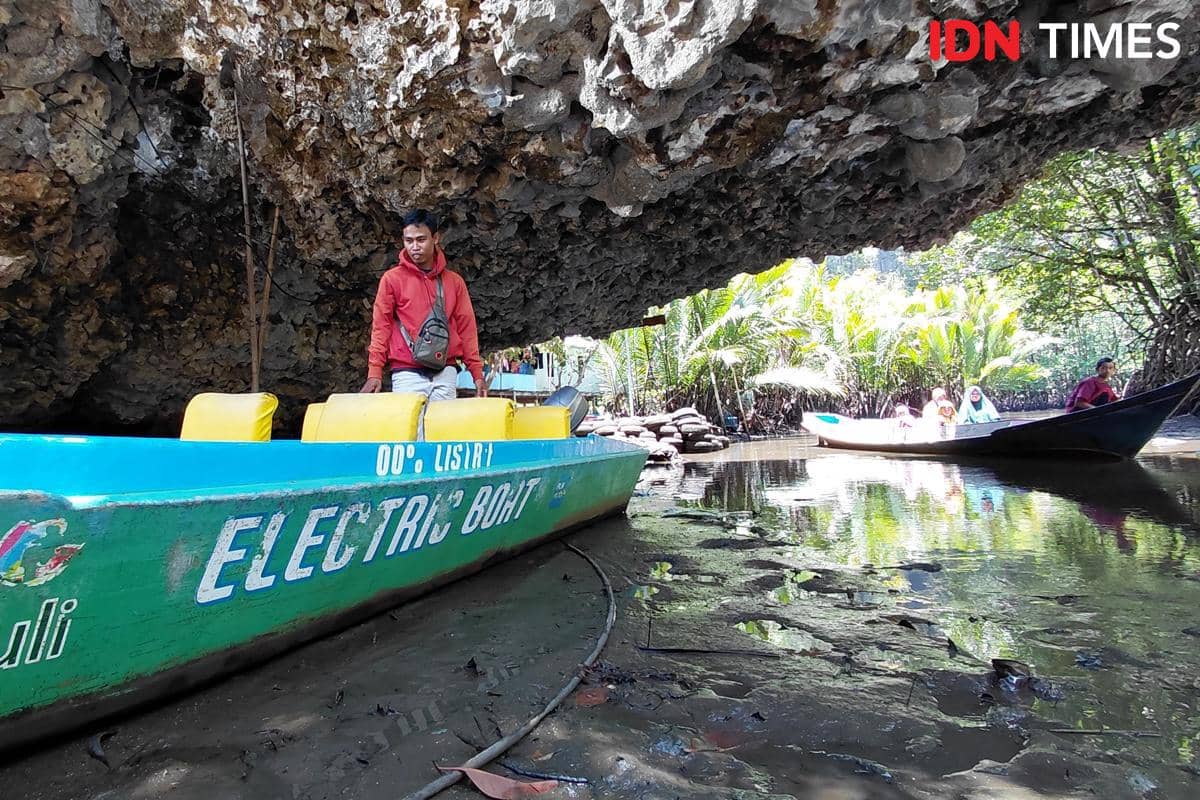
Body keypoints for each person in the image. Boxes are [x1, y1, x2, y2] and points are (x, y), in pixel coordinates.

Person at [360, 209, 486, 411]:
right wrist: (374, 372)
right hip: (406, 372)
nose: (414, 247)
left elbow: (467, 328)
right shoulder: (392, 280)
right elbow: (380, 327)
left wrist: (477, 374)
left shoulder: (454, 282)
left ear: (435, 238)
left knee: (442, 436)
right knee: (411, 437)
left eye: (421, 240)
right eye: (408, 241)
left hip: (446, 371)